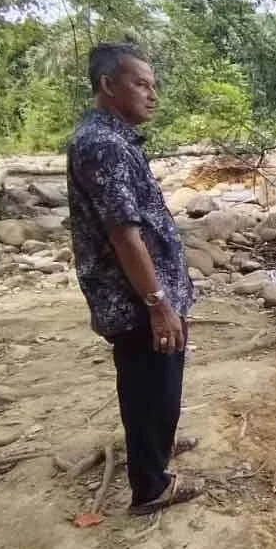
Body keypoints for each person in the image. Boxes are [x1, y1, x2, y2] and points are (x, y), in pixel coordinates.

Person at [66, 42, 204, 515]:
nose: (152, 94)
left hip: (147, 291)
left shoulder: (116, 140)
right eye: (141, 84)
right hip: (133, 297)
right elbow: (124, 235)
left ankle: (157, 450)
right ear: (108, 85)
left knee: (161, 379)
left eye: (153, 85)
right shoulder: (102, 145)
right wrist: (158, 303)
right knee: (147, 383)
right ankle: (151, 488)